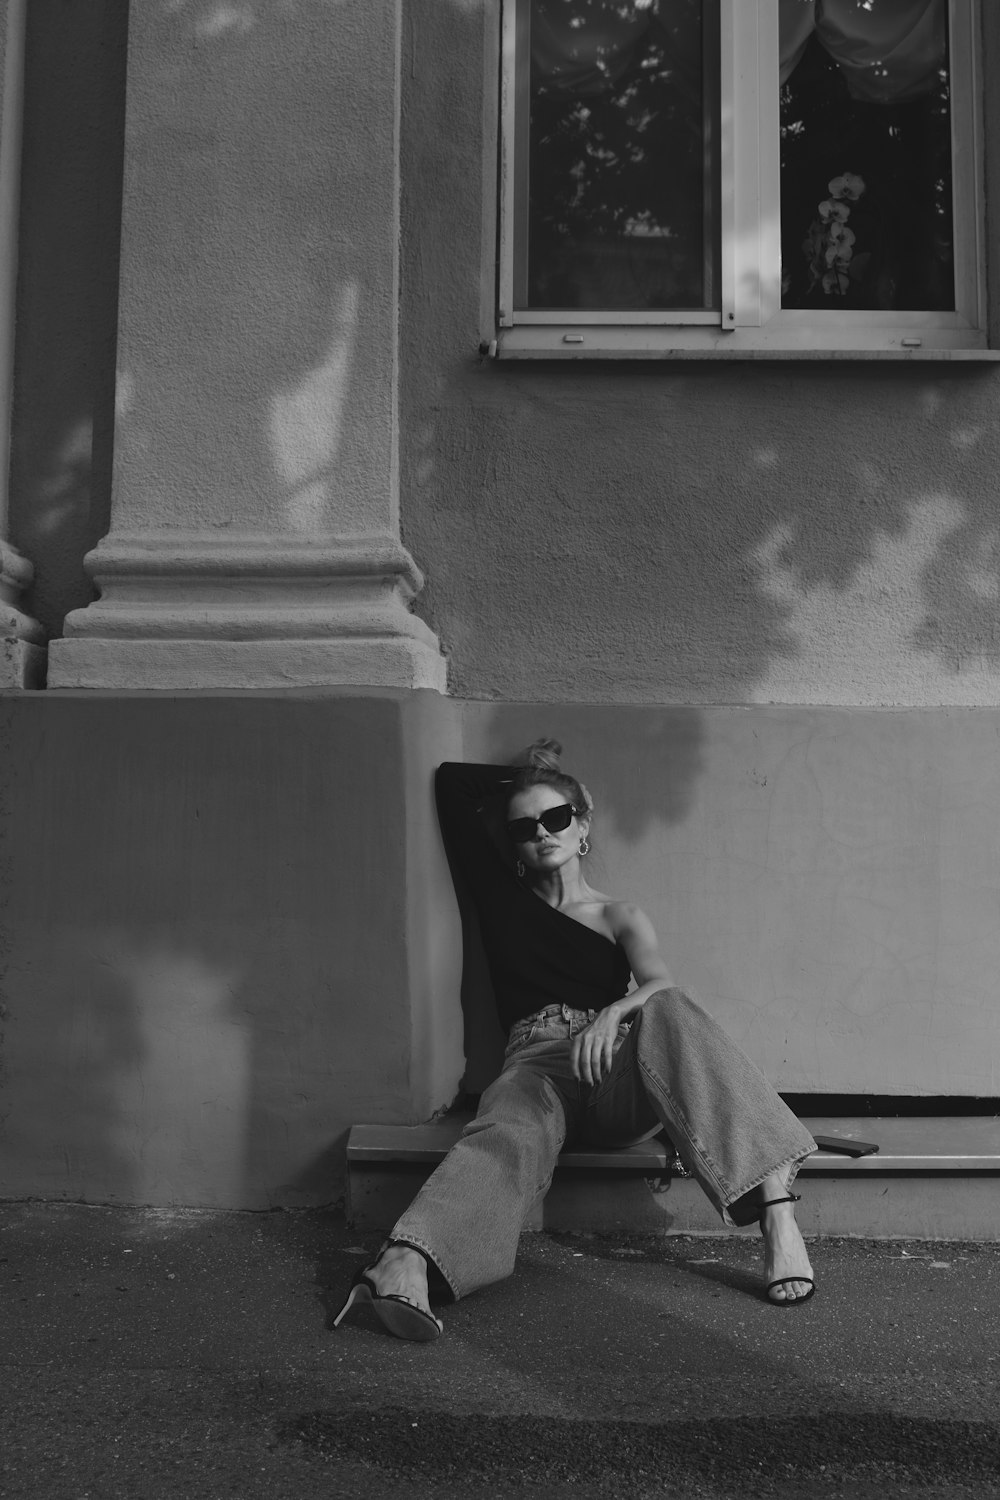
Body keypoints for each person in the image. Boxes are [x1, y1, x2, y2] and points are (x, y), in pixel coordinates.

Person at [335, 740, 817, 1341]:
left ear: (582, 824)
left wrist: (613, 1014)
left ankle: (774, 1210)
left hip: (618, 1071)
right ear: (512, 842)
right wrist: (533, 773)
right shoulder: (501, 897)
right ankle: (403, 1262)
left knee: (667, 1003)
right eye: (526, 825)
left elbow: (660, 984)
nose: (543, 832)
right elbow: (455, 785)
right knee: (507, 1129)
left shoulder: (620, 915)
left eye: (558, 816)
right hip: (537, 1064)